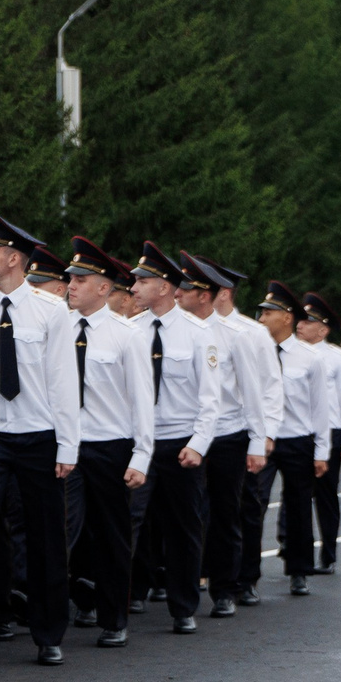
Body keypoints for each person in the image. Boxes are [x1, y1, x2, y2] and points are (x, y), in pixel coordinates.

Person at [0, 212, 82, 664]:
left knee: (45, 538)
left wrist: (67, 444)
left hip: (38, 437)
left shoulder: (51, 310)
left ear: (13, 258)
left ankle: (49, 633)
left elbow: (62, 379)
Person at [60, 238, 155, 647]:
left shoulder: (127, 334)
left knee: (111, 532)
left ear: (104, 288)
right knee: (63, 528)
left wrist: (142, 455)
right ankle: (75, 601)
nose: (71, 285)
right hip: (65, 444)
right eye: (70, 278)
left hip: (109, 446)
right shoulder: (57, 328)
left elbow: (141, 399)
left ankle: (114, 617)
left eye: (81, 279)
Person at [177, 252, 281, 617]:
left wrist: (260, 439)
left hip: (227, 434)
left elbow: (259, 390)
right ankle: (186, 582)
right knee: (187, 513)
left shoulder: (243, 335)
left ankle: (228, 586)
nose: (177, 293)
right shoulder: (176, 330)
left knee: (227, 512)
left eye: (185, 287)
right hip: (187, 435)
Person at [130, 244, 219, 635]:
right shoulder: (131, 331)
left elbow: (210, 399)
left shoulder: (199, 334)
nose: (134, 286)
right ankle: (128, 594)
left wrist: (198, 444)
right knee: (129, 521)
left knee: (183, 526)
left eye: (142, 280)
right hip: (138, 444)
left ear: (165, 287)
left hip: (180, 443)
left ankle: (183, 606)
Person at [253, 280, 331, 596]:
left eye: (267, 312)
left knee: (298, 506)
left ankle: (299, 570)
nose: (261, 318)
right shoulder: (254, 351)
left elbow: (320, 408)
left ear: (286, 317)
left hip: (297, 439)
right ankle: (247, 576)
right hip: (262, 439)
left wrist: (322, 450)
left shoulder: (309, 357)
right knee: (252, 505)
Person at [295, 294, 341, 568]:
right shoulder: (290, 353)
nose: (300, 326)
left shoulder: (338, 358)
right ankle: (294, 551)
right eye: (300, 320)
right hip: (299, 432)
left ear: (323, 329)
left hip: (330, 431)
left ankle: (328, 553)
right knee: (296, 494)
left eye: (308, 322)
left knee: (326, 496)